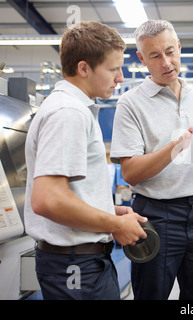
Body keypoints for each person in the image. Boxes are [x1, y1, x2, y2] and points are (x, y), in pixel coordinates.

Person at [110, 19, 193, 300]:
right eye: (155, 55)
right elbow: (130, 173)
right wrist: (174, 148)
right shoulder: (130, 104)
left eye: (170, 51)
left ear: (178, 47)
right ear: (141, 58)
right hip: (156, 217)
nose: (166, 62)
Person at [24, 21, 148, 300]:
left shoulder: (71, 109)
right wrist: (115, 225)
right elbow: (48, 200)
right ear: (84, 68)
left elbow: (66, 193)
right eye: (113, 68)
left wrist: (108, 211)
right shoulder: (68, 113)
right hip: (76, 266)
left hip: (81, 263)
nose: (120, 77)